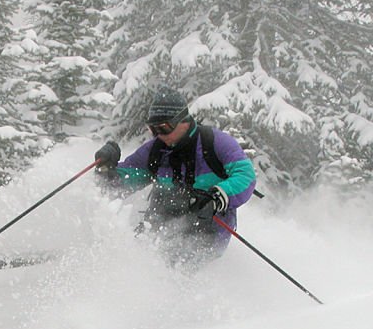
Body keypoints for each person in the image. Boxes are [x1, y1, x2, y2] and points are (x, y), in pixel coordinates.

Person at [94, 85, 257, 266]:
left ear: (184, 121)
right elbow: (123, 182)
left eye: (164, 127)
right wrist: (106, 170)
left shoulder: (215, 143)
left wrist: (217, 196)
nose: (159, 135)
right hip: (160, 223)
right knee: (133, 260)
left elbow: (246, 176)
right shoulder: (155, 151)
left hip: (207, 228)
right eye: (153, 129)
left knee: (177, 264)